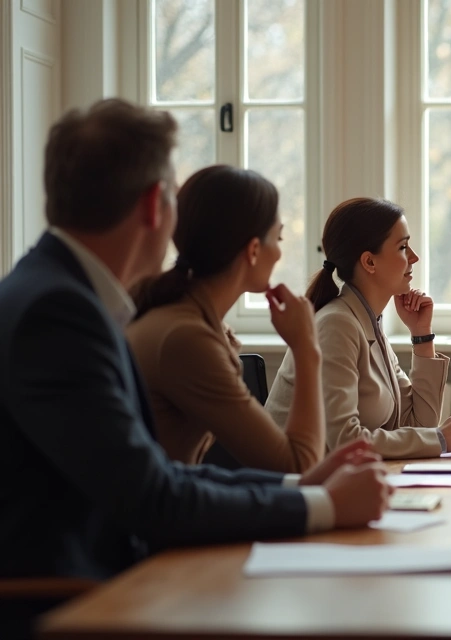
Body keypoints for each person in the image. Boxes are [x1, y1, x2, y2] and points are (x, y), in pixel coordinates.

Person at [0, 100, 389, 637]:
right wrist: (321, 505)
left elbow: (157, 476)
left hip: (109, 581)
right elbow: (153, 498)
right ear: (156, 205)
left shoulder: (61, 295)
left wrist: (300, 488)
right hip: (75, 602)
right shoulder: (59, 312)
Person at [127, 165, 325, 472]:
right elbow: (297, 465)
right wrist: (306, 349)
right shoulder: (185, 338)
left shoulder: (186, 318)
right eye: (279, 238)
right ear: (254, 250)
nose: (279, 254)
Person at [266, 197, 451, 458]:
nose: (414, 257)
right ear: (369, 262)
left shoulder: (367, 322)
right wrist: (440, 439)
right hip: (297, 486)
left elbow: (419, 424)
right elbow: (345, 440)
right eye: (402, 247)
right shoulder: (337, 325)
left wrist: (421, 335)